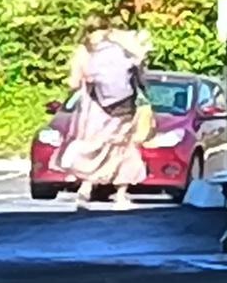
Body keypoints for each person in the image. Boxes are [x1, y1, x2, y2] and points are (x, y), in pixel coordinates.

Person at [59, 31, 160, 205]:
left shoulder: (85, 52)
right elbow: (141, 74)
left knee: (94, 145)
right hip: (126, 107)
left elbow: (73, 83)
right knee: (123, 147)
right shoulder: (124, 47)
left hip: (96, 108)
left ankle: (86, 186)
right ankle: (121, 194)